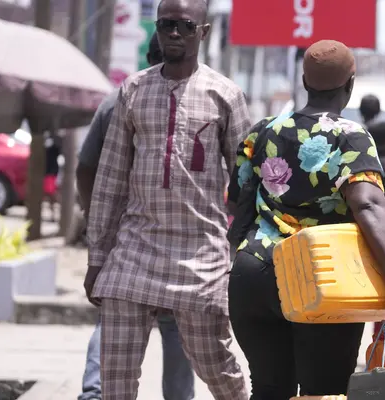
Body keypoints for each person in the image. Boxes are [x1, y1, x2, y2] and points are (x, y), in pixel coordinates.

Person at [84, 0, 251, 398]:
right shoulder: (134, 90)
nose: (174, 33)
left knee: (220, 371)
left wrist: (239, 255)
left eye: (185, 26)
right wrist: (97, 258)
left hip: (200, 257)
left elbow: (247, 184)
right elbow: (109, 179)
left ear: (203, 32)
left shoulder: (225, 95)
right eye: (166, 25)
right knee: (115, 379)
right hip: (134, 253)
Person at [226, 39, 385, 399]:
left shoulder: (264, 130)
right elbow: (369, 205)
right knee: (323, 391)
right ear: (350, 85)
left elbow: (237, 200)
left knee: (268, 387)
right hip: (321, 277)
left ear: (305, 81)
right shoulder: (351, 137)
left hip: (255, 273)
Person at [75, 32, 195, 400]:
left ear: (148, 55)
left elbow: (85, 167)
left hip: (124, 233)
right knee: (175, 322)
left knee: (115, 314)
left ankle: (95, 392)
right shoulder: (199, 100)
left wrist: (96, 217)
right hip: (177, 235)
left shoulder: (117, 100)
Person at [44, 135, 61, 221]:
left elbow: (58, 151)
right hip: (47, 171)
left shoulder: (56, 140)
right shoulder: (46, 138)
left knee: (51, 193)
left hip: (51, 171)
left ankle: (54, 214)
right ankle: (53, 214)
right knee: (49, 193)